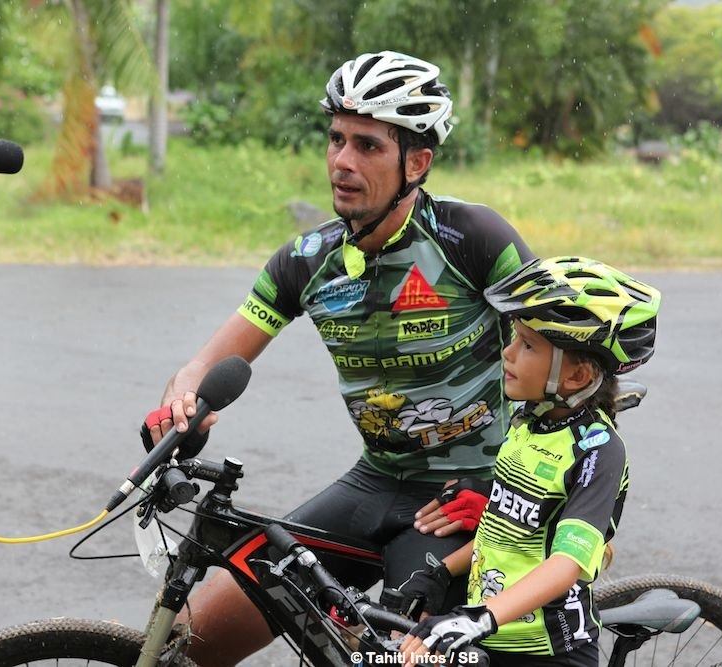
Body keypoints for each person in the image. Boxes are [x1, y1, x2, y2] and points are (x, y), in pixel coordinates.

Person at [141, 51, 535, 667]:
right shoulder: (306, 260)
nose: (343, 162)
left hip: (467, 497)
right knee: (191, 646)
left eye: (369, 146)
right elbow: (201, 365)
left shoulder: (474, 240)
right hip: (374, 481)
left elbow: (571, 371)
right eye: (335, 139)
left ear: (418, 162)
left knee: (409, 654)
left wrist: (513, 497)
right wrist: (180, 404)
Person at [398, 256, 661, 667]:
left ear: (575, 377)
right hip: (491, 631)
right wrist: (442, 573)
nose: (508, 352)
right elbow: (503, 529)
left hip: (549, 650)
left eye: (528, 345)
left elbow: (565, 566)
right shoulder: (527, 423)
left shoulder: (598, 450)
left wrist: (478, 619)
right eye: (515, 338)